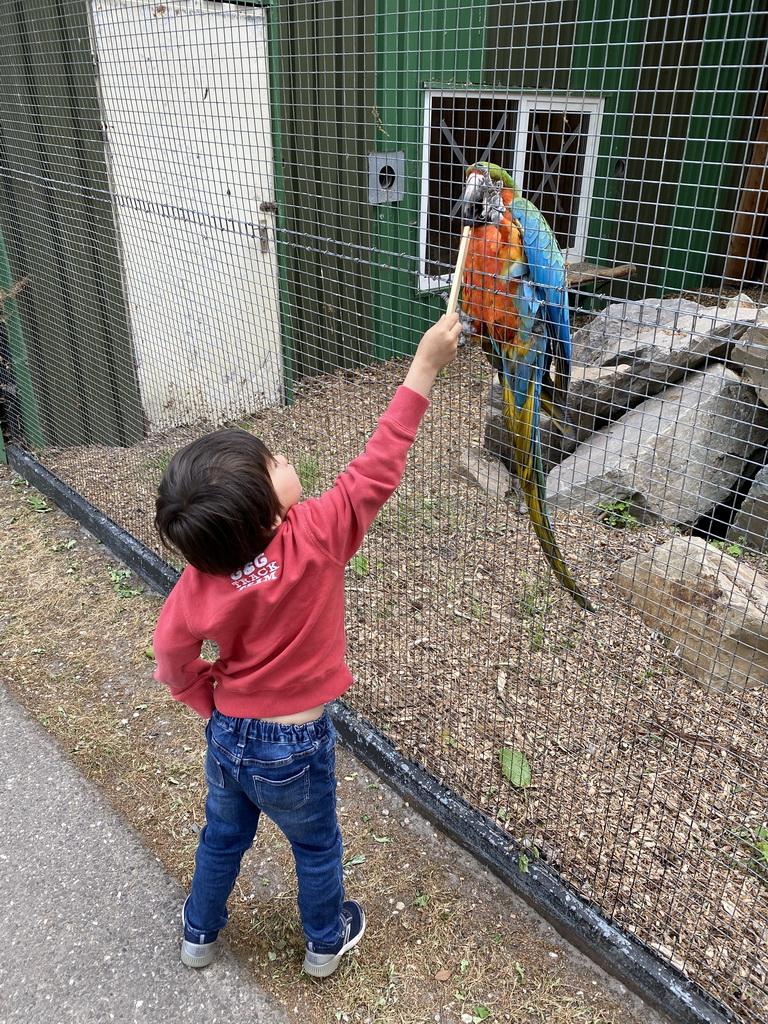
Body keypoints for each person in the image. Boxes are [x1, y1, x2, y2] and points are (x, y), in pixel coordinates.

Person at [152, 311, 461, 978]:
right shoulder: (318, 534)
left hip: (230, 734)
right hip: (293, 745)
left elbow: (173, 655)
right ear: (268, 513)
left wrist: (205, 701)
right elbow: (380, 462)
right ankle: (326, 941)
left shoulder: (199, 580)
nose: (285, 456)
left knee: (224, 836)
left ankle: (198, 932)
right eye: (275, 462)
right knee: (316, 846)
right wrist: (426, 365)